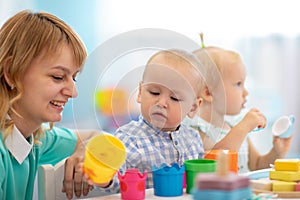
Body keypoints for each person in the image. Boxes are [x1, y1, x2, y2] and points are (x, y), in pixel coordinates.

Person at [0, 10, 114, 200]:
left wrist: (86, 149)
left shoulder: (34, 138)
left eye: (74, 78)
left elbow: (102, 138)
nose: (72, 92)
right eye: (58, 77)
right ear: (12, 72)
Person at [184, 46, 292, 173]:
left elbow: (257, 165)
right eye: (238, 84)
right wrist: (243, 127)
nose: (246, 92)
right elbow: (215, 164)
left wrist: (277, 152)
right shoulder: (195, 130)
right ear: (209, 93)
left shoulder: (234, 125)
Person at [113, 49, 205, 188]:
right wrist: (105, 178)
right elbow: (115, 182)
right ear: (140, 92)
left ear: (193, 108)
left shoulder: (193, 139)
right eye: (154, 92)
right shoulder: (127, 138)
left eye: (175, 98)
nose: (161, 103)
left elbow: (199, 182)